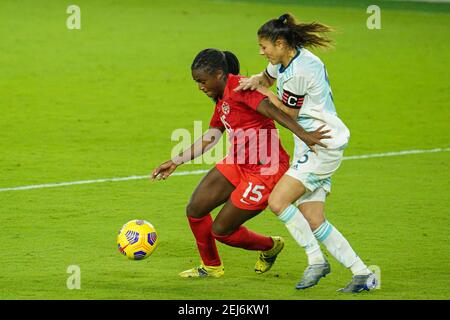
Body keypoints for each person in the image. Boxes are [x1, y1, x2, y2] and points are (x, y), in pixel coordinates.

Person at [151, 48, 330, 278]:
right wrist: (176, 161)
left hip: (266, 171)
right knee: (196, 209)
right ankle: (212, 267)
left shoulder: (242, 89)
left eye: (202, 81)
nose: (200, 87)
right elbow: (212, 136)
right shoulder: (221, 97)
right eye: (196, 82)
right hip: (239, 162)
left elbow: (274, 111)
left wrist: (305, 135)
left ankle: (270, 246)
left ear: (218, 74)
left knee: (222, 231)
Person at [235, 13, 377, 293]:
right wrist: (255, 80)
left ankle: (316, 261)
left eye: (264, 47)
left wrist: (263, 93)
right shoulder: (285, 59)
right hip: (309, 144)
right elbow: (267, 75)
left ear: (279, 43)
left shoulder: (302, 70)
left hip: (320, 143)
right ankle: (362, 273)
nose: (261, 52)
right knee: (313, 219)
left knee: (277, 201)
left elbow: (288, 111)